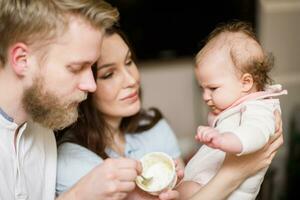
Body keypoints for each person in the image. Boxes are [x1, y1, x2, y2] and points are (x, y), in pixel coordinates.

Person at [0, 1, 146, 200]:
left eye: (92, 67)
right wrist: (77, 195)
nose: (91, 85)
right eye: (76, 68)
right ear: (22, 60)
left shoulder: (43, 132)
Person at [55, 26, 184, 200]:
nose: (131, 80)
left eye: (129, 61)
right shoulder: (72, 160)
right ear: (85, 84)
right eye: (109, 74)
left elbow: (184, 190)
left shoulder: (153, 125)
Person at [177, 21, 287, 199]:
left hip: (230, 193)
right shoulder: (238, 103)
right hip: (212, 184)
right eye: (202, 89)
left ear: (246, 82)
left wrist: (223, 139)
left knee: (181, 193)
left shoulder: (260, 107)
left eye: (213, 88)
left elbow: (255, 135)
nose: (205, 96)